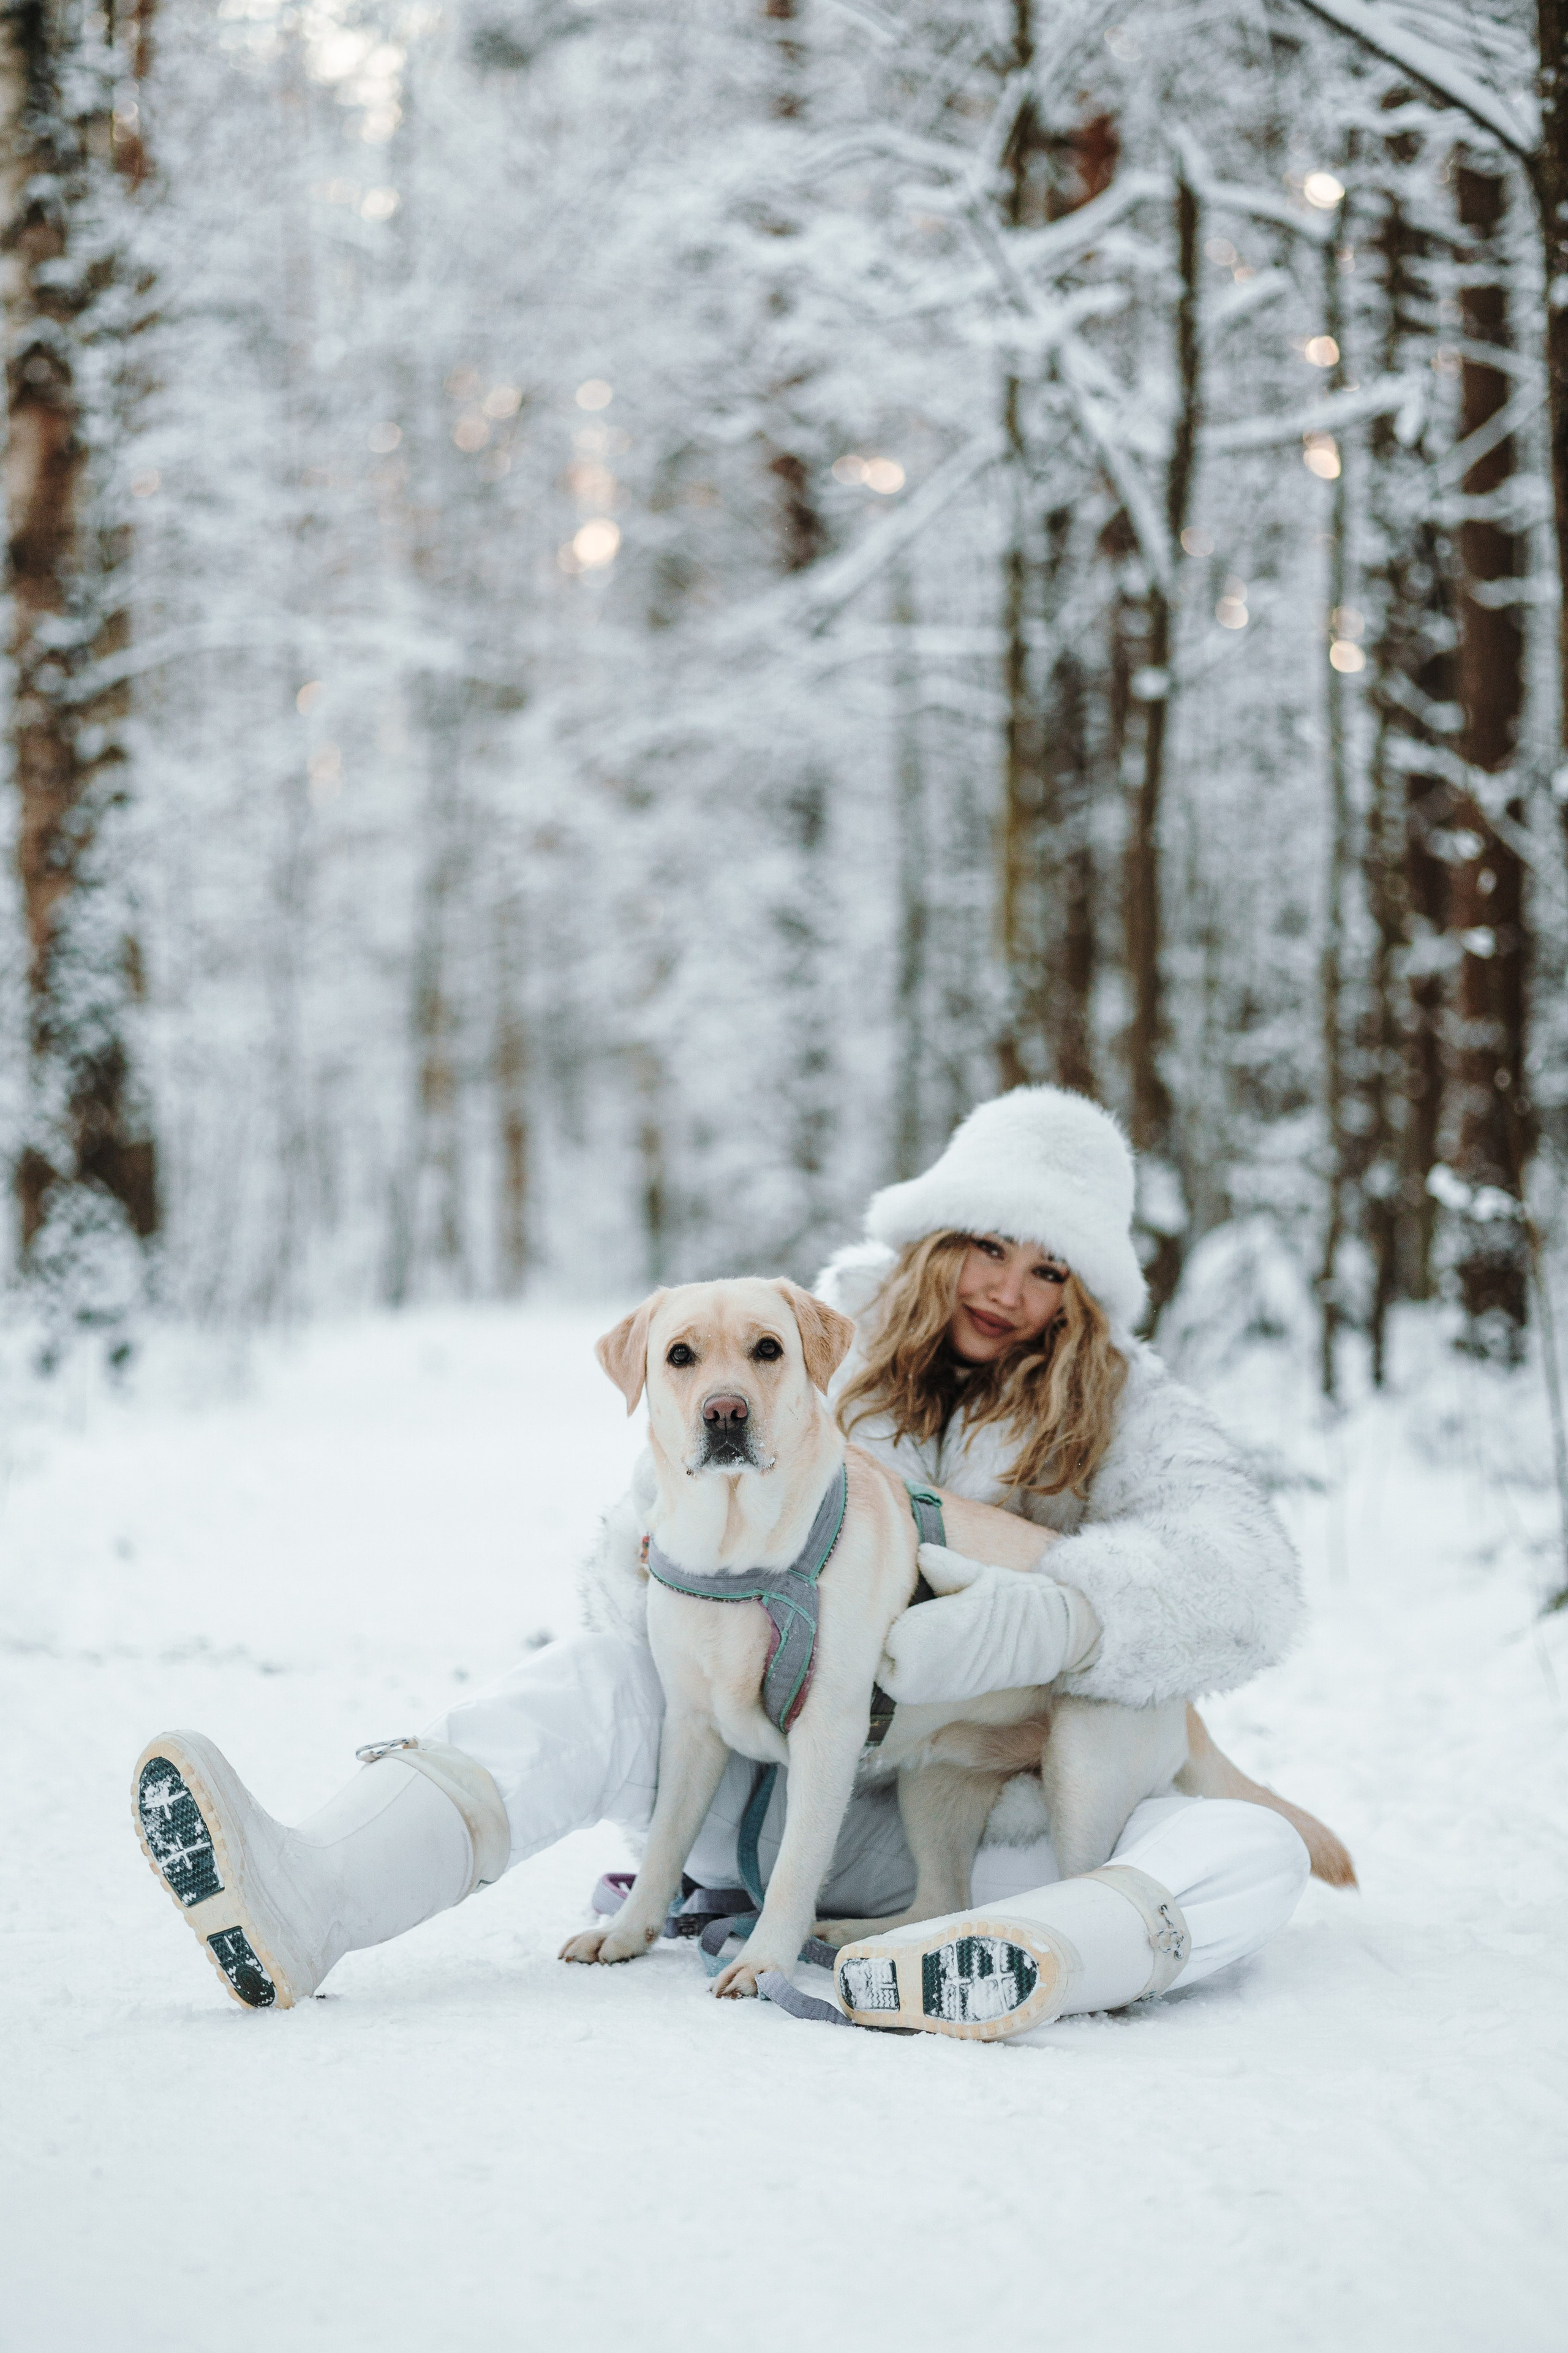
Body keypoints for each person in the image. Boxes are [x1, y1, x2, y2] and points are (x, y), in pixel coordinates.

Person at [132, 1086, 1311, 2035]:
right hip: (761, 1795)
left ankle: (1030, 1960)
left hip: (987, 1825)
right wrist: (666, 1580)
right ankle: (315, 1896)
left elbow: (1245, 1571)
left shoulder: (1131, 1405)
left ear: (1087, 1292)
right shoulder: (786, 1334)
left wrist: (1069, 1614)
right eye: (988, 1246)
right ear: (938, 1237)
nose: (1008, 1288)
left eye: (1050, 1269)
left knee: (1250, 1844)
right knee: (593, 1676)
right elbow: (635, 1540)